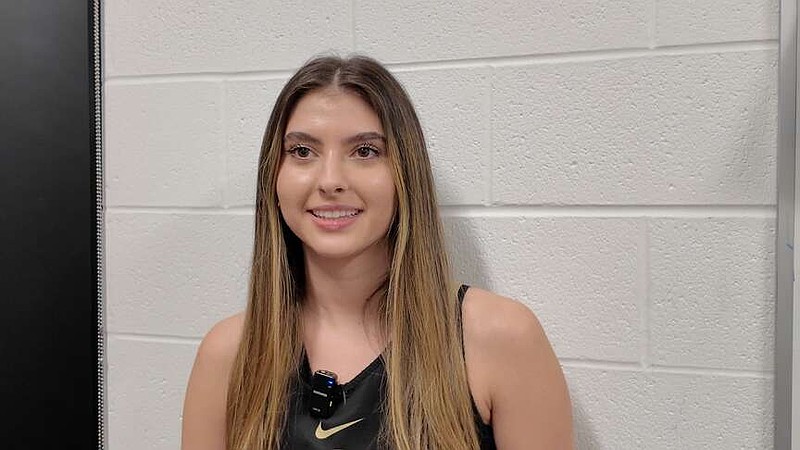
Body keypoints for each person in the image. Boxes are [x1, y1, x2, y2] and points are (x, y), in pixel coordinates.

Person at [181, 54, 573, 450]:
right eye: (302, 151)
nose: (330, 180)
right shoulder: (229, 354)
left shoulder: (499, 338)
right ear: (274, 176)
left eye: (365, 151)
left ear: (405, 175)